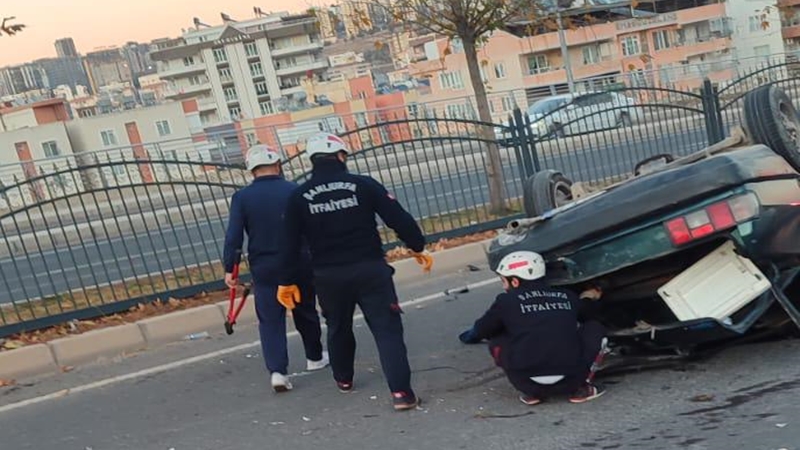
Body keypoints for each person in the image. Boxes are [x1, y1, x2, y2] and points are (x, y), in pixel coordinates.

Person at [276, 132, 433, 411]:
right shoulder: (363, 185)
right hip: (370, 268)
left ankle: (343, 378)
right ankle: (401, 393)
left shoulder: (298, 196)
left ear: (312, 160)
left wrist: (286, 281)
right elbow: (398, 217)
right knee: (386, 330)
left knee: (338, 326)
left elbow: (288, 243)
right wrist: (417, 246)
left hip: (328, 275)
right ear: (341, 156)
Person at [222, 144, 328, 393]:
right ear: (278, 165)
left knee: (270, 318)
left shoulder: (242, 198)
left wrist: (231, 268)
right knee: (305, 309)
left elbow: (234, 236)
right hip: (298, 261)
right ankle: (314, 356)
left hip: (264, 265)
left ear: (251, 171)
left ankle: (278, 372)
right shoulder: (295, 190)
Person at [458, 251, 608, 406]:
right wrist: (588, 298)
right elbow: (589, 315)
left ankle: (533, 394)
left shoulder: (506, 301)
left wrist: (468, 337)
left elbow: (483, 329)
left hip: (525, 383)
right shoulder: (566, 296)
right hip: (571, 379)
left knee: (498, 336)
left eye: (504, 281)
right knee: (594, 328)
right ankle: (582, 388)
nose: (504, 286)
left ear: (515, 282)